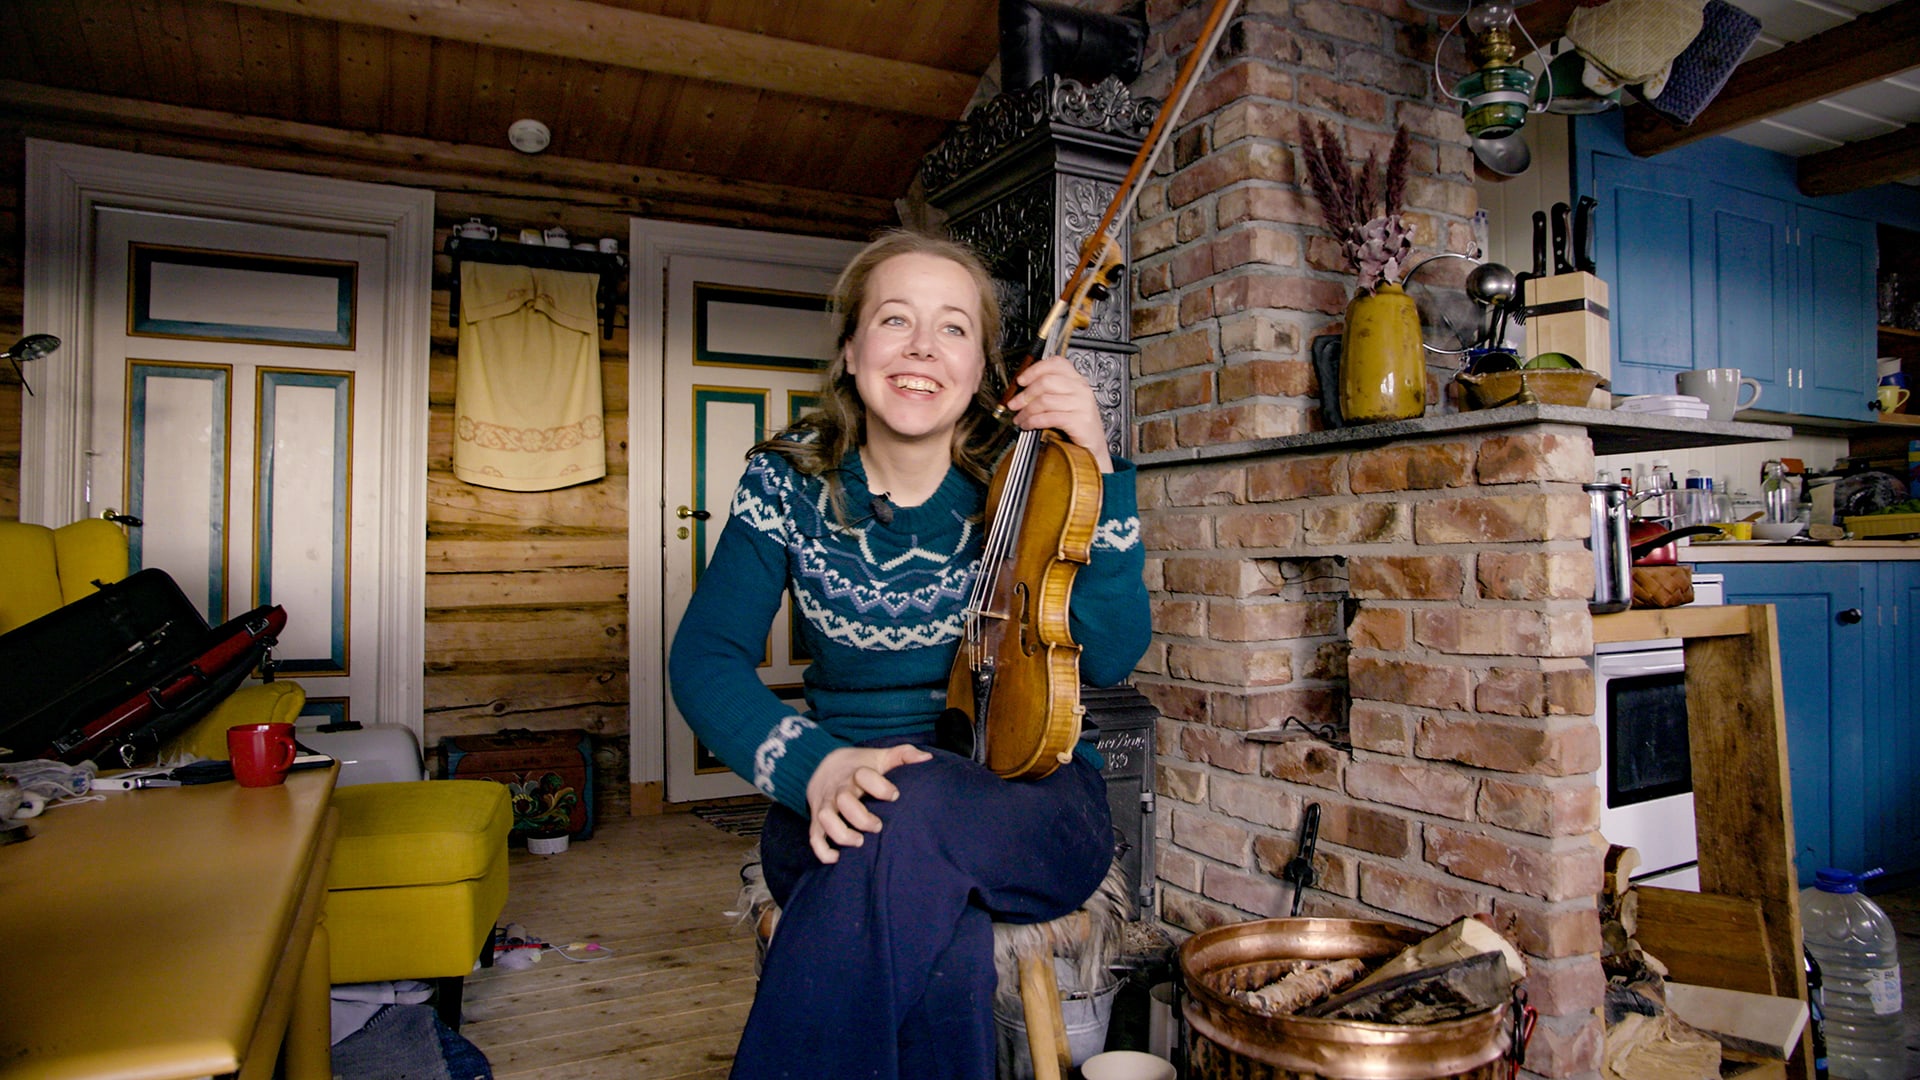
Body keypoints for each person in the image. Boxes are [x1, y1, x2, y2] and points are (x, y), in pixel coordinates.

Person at [667, 229, 1151, 1079]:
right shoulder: (788, 483)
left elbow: (1109, 658)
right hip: (842, 805)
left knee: (914, 804)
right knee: (939, 933)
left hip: (1026, 805)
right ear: (851, 351)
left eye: (953, 328)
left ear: (982, 368)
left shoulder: (1038, 477)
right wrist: (815, 769)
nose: (924, 346)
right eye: (895, 319)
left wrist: (1098, 463)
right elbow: (705, 658)